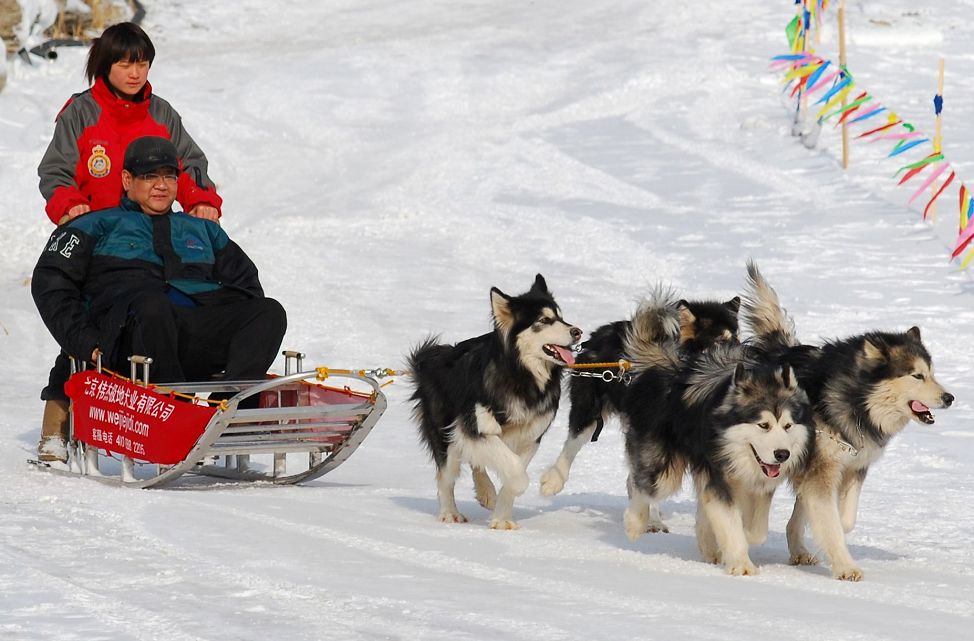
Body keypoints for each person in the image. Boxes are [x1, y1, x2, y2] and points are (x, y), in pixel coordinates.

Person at [35, 22, 224, 462]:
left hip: (150, 243)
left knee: (166, 321)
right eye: (124, 62)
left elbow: (190, 165)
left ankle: (172, 423)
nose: (134, 72)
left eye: (142, 62)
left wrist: (202, 203)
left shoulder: (161, 113)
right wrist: (70, 207)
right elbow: (55, 172)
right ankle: (57, 426)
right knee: (81, 332)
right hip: (95, 242)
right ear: (106, 65)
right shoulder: (81, 113)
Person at [32, 137, 286, 461]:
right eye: (150, 176)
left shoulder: (203, 231)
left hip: (192, 334)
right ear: (127, 181)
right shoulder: (95, 225)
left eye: (169, 176)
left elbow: (247, 286)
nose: (161, 186)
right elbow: (51, 284)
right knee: (153, 303)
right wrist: (85, 341)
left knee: (269, 312)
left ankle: (223, 415)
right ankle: (177, 419)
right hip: (130, 342)